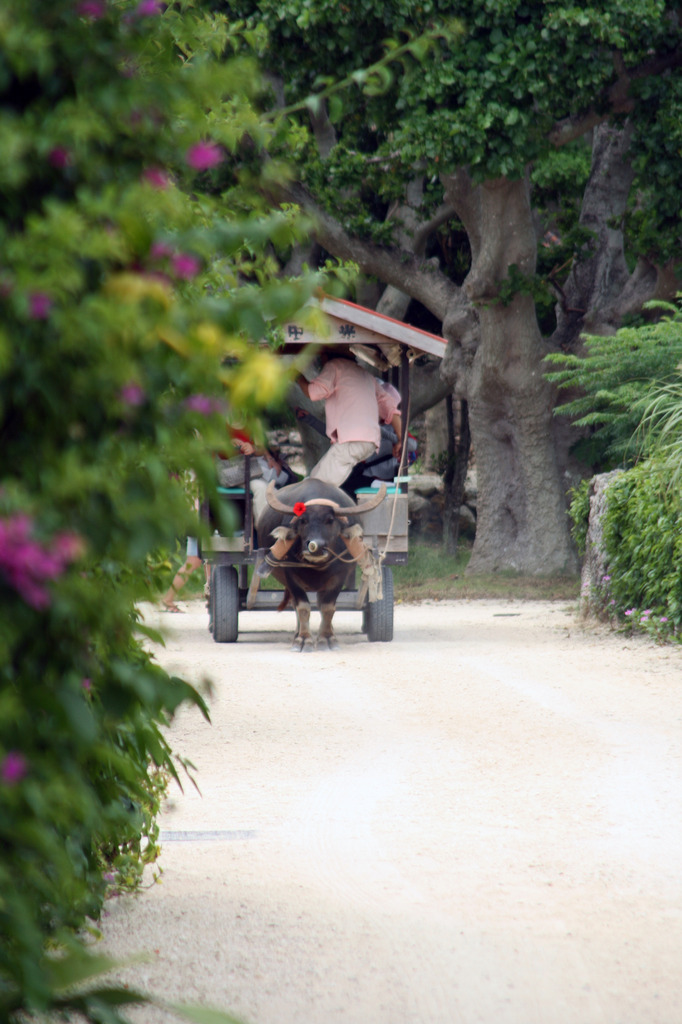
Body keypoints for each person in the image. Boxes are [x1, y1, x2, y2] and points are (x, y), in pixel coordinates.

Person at [295, 352, 402, 488]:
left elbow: (313, 392)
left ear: (325, 356)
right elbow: (390, 408)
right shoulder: (366, 375)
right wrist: (400, 438)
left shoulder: (334, 365)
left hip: (352, 442)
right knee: (317, 475)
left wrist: (298, 377)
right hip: (368, 444)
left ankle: (307, 507)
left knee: (317, 486)